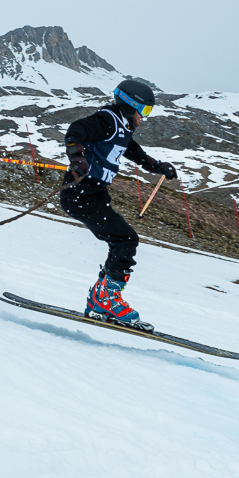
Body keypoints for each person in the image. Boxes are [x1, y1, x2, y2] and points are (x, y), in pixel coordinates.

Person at [60, 79, 177, 331]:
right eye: (143, 110)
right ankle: (106, 299)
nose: (144, 117)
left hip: (94, 193)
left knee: (120, 241)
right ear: (129, 105)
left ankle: (100, 301)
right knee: (126, 240)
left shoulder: (122, 127)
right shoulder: (107, 120)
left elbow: (131, 149)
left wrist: (157, 166)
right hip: (80, 192)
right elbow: (76, 130)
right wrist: (77, 156)